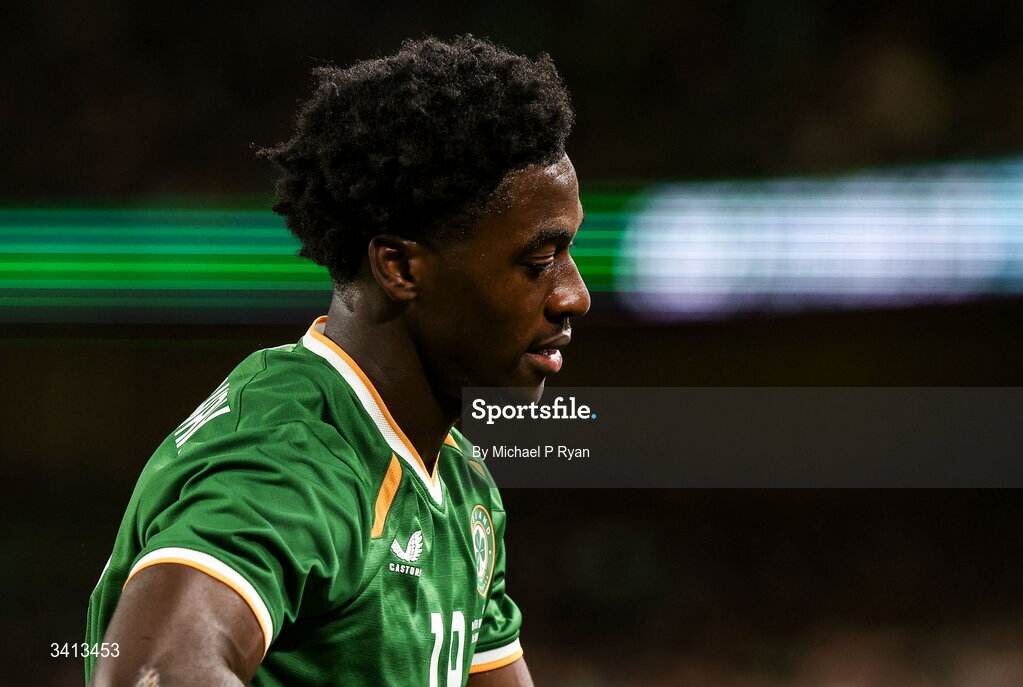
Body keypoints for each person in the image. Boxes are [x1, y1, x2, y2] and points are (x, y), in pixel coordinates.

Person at [85, 34, 589, 687]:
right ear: (401, 266)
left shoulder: (462, 485)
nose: (574, 294)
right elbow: (150, 672)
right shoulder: (290, 455)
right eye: (536, 260)